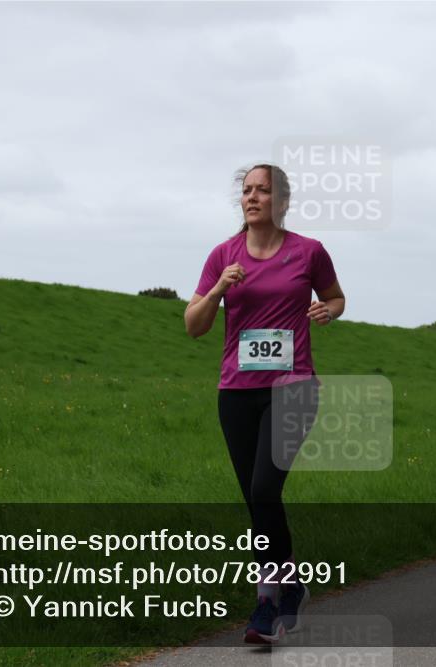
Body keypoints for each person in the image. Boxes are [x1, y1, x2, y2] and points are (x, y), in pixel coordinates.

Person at [184, 163, 345, 643]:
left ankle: (268, 600)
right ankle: (288, 585)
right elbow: (194, 325)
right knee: (255, 499)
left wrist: (326, 311)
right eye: (247, 191)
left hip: (293, 388)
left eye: (262, 191)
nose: (252, 198)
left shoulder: (308, 252)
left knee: (263, 489)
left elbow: (336, 297)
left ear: (282, 201)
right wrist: (218, 290)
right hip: (236, 391)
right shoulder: (223, 255)